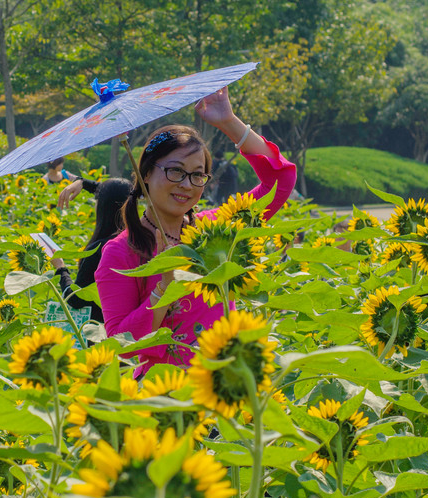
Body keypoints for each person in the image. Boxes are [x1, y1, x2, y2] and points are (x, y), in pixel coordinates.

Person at [95, 88, 296, 373]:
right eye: (175, 171)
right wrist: (164, 286)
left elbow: (280, 180)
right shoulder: (120, 252)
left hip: (228, 383)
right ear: (147, 173)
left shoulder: (216, 229)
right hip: (167, 398)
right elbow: (122, 344)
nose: (187, 185)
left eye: (197, 175)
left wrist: (228, 121)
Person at [51, 179, 132, 323]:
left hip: (99, 333)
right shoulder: (137, 240)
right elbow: (117, 192)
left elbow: (76, 299)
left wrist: (61, 268)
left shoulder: (101, 250)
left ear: (102, 206)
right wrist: (82, 183)